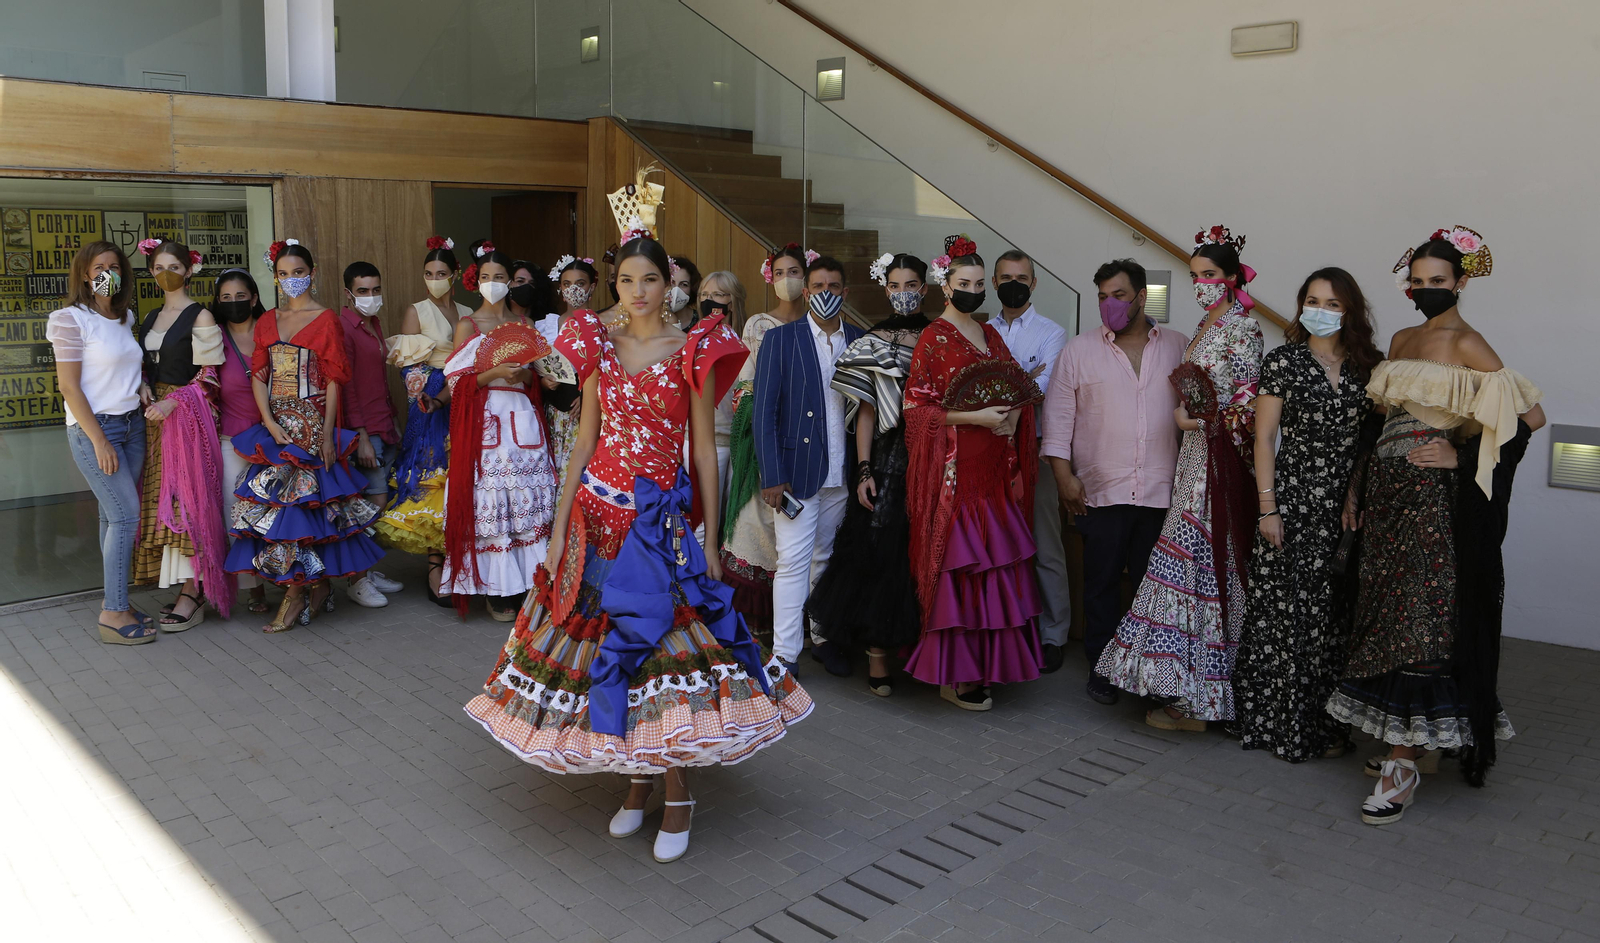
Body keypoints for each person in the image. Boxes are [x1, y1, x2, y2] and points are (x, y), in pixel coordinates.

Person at [463, 199, 810, 865]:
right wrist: (561, 525)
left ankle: (677, 791)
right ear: (614, 284)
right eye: (626, 280)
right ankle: (638, 778)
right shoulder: (597, 341)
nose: (638, 291)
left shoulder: (694, 347)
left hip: (658, 525)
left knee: (659, 655)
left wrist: (709, 542)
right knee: (609, 653)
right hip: (597, 515)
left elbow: (703, 451)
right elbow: (585, 436)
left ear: (670, 282)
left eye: (650, 279)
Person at [1331, 228, 1543, 825]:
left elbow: (1529, 418)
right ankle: (1413, 742)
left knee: (1420, 619)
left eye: (1437, 282)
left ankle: (1401, 763)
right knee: (1386, 610)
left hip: (1433, 502)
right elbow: (1376, 426)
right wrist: (1355, 489)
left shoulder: (1470, 344)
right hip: (1388, 496)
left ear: (1462, 282)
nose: (1425, 290)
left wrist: (1463, 457)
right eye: (1417, 281)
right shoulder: (1401, 337)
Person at [1095, 225, 1263, 730]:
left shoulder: (1242, 326)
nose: (1201, 283)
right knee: (1184, 570)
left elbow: (1248, 406)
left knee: (1205, 567)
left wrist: (1198, 420)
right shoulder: (1205, 324)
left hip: (1217, 465)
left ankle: (1203, 698)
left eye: (1210, 274)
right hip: (1193, 461)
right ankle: (1186, 690)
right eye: (1194, 275)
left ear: (1232, 277)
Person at [1232, 268, 1383, 762]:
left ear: (1350, 311)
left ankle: (1327, 725)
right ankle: (1278, 725)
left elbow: (1370, 443)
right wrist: (1267, 508)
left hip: (1344, 511)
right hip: (1291, 504)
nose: (1321, 310)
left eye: (1333, 303)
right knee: (1285, 616)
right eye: (1312, 300)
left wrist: (1358, 498)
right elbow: (1263, 439)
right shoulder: (1284, 361)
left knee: (1333, 618)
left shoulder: (1369, 367)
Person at [903, 236, 1043, 710]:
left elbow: (1017, 388)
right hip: (956, 470)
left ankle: (985, 666)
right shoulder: (933, 337)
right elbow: (917, 411)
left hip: (993, 468)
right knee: (963, 568)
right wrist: (976, 418)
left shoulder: (991, 333)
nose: (975, 290)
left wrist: (1011, 419)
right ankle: (953, 675)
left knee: (994, 567)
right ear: (947, 286)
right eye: (965, 283)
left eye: (981, 284)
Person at [1042, 259, 1187, 705]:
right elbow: (1058, 422)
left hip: (1162, 490)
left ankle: (1146, 674)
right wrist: (1064, 478)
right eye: (1103, 296)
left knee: (1154, 587)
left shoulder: (1180, 347)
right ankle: (1103, 668)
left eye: (1119, 296)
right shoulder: (1079, 352)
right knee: (1102, 582)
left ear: (1142, 297)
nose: (1109, 305)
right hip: (1100, 490)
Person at [225, 239, 385, 632]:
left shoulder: (326, 318)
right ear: (275, 278)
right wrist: (270, 422)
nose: (292, 280)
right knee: (283, 511)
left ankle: (301, 594)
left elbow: (334, 381)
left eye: (299, 273)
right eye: (283, 274)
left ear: (311, 274)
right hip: (277, 427)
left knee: (311, 510)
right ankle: (310, 589)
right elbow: (259, 376)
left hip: (315, 424)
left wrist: (328, 434)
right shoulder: (267, 320)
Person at [807, 252, 932, 695]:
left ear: (926, 287)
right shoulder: (872, 339)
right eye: (895, 286)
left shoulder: (940, 335)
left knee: (922, 548)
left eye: (911, 284)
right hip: (883, 458)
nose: (903, 293)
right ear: (885, 289)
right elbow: (864, 412)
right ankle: (877, 654)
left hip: (931, 453)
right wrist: (862, 469)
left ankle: (925, 654)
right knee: (880, 546)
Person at [753, 254, 865, 677]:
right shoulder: (781, 340)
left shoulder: (858, 339)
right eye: (818, 287)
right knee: (794, 562)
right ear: (807, 290)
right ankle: (784, 655)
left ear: (845, 292)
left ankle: (822, 638)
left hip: (843, 470)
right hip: (797, 473)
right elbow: (765, 413)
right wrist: (772, 475)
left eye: (833, 287)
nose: (825, 294)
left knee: (827, 559)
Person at [440, 243, 559, 621]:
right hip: (485, 423)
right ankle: (495, 591)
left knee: (527, 497)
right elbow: (457, 384)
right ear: (477, 282)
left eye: (501, 278)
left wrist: (527, 375)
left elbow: (537, 378)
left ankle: (530, 581)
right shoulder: (468, 326)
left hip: (522, 421)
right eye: (487, 277)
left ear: (511, 282)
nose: (493, 284)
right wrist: (493, 373)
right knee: (490, 500)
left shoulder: (525, 326)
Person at [48, 242, 155, 644]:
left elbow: (123, 366)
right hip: (97, 431)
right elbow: (70, 388)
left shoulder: (124, 317)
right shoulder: (69, 319)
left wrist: (142, 386)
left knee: (113, 517)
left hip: (132, 425)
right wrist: (99, 441)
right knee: (126, 516)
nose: (108, 272)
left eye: (115, 266)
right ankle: (113, 611)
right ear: (83, 274)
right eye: (99, 267)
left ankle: (119, 600)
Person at [133, 239, 231, 631]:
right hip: (153, 418)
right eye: (158, 267)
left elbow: (210, 377)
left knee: (188, 503)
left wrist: (174, 403)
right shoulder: (150, 315)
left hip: (187, 419)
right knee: (161, 502)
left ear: (190, 270)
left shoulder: (201, 316)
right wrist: (143, 385)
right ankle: (186, 585)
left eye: (173, 266)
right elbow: (144, 365)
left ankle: (195, 589)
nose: (165, 273)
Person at [719, 244, 815, 634]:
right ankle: (757, 627)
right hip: (767, 444)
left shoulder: (818, 327)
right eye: (779, 273)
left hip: (809, 447)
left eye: (794, 271)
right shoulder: (759, 325)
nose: (786, 280)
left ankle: (800, 626)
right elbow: (746, 386)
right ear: (769, 278)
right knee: (756, 528)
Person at [987, 249, 1071, 672]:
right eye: (1005, 277)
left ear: (1034, 283)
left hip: (1034, 448)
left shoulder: (1052, 333)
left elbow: (1045, 387)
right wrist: (1025, 376)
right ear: (994, 281)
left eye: (1021, 277)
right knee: (996, 544)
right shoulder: (981, 330)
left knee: (1045, 544)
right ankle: (1007, 629)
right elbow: (979, 387)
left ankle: (1054, 633)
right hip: (986, 452)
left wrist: (1009, 385)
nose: (1013, 284)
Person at [374, 236, 467, 606]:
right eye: (428, 273)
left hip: (463, 399)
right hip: (430, 402)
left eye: (441, 273)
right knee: (434, 475)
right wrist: (429, 394)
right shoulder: (416, 310)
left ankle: (457, 558)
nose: (433, 279)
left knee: (458, 476)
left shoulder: (465, 310)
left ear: (455, 274)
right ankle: (435, 566)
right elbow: (407, 366)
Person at [339, 261, 404, 608]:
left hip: (383, 422)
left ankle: (368, 569)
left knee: (381, 500)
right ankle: (356, 579)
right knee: (370, 502)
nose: (371, 296)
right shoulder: (345, 327)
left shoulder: (374, 324)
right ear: (349, 294)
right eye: (363, 291)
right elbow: (347, 386)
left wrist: (392, 418)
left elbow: (378, 379)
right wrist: (361, 435)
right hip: (363, 428)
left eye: (376, 289)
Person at [213, 268, 271, 615]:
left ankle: (285, 579)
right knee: (238, 516)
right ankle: (254, 588)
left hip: (273, 439)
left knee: (276, 514)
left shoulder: (271, 332)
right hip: (231, 440)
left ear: (253, 298)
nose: (234, 303)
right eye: (226, 298)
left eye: (240, 296)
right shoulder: (212, 337)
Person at [539, 255, 599, 480]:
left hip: (586, 414)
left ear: (591, 287)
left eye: (580, 284)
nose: (573, 289)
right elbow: (535, 370)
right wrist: (544, 382)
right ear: (560, 288)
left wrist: (591, 397)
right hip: (553, 414)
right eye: (567, 284)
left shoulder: (600, 325)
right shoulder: (546, 326)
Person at [699, 270, 746, 502]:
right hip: (709, 441)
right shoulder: (693, 341)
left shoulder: (749, 339)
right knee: (705, 521)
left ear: (732, 299)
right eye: (704, 294)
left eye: (718, 294)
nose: (709, 300)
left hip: (742, 442)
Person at [667, 255, 702, 330]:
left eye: (684, 284)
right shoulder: (652, 320)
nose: (676, 289)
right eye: (672, 283)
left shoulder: (701, 321)